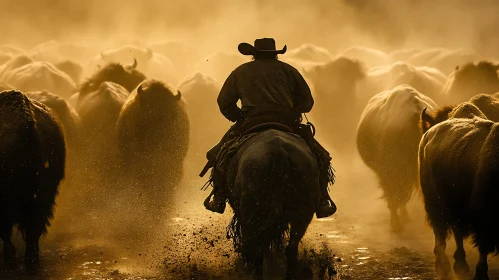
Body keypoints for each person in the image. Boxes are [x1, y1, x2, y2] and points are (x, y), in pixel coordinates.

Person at [202, 38, 336, 218]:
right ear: (276, 54)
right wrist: (291, 108)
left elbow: (224, 102)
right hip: (287, 122)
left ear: (253, 55)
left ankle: (219, 197)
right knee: (321, 157)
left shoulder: (241, 71)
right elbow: (307, 104)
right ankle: (322, 200)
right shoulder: (289, 70)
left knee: (218, 156)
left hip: (251, 121)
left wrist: (238, 117)